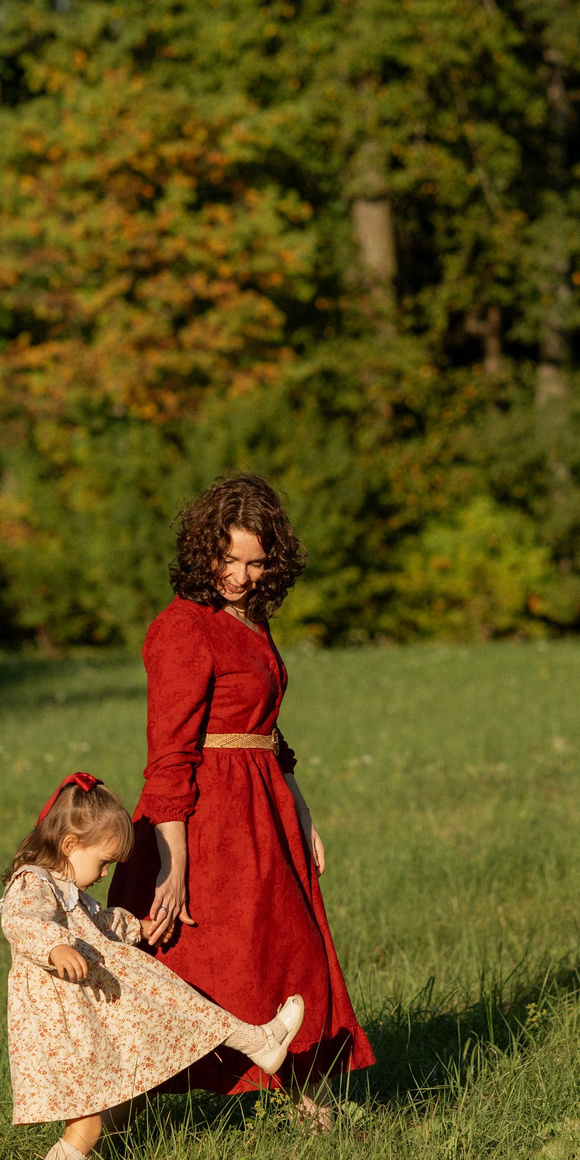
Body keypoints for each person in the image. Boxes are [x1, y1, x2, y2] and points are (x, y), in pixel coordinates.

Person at [107, 473, 374, 1126]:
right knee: (184, 970)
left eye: (257, 563)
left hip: (264, 809)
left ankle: (316, 1105)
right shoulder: (180, 628)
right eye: (231, 559)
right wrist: (172, 858)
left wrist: (300, 804)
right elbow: (168, 751)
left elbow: (266, 728)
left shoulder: (252, 621)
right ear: (205, 551)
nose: (244, 575)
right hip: (205, 817)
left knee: (287, 953)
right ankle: (100, 1128)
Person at [1, 773, 304, 1160]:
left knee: (172, 1003)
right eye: (103, 862)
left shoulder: (69, 890)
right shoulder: (34, 883)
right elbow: (21, 921)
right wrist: (54, 948)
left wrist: (139, 928)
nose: (106, 873)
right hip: (63, 1030)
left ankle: (258, 1040)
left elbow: (99, 924)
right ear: (70, 845)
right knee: (88, 1122)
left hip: (86, 1018)